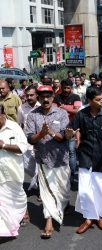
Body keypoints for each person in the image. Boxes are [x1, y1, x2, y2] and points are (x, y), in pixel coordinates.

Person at [66, 87, 102, 234]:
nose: (101, 101)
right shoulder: (81, 114)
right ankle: (89, 218)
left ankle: (100, 216)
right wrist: (70, 133)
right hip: (85, 156)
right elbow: (70, 129)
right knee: (84, 190)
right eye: (98, 99)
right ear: (89, 101)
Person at [25, 85, 71, 239]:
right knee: (46, 193)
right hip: (43, 160)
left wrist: (50, 132)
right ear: (38, 98)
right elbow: (30, 139)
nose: (45, 99)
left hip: (61, 159)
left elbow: (64, 137)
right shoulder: (32, 115)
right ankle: (49, 221)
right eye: (42, 96)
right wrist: (41, 134)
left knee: (63, 192)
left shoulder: (62, 113)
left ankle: (62, 207)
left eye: (48, 96)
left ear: (53, 97)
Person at [0, 104, 28, 237]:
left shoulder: (14, 127)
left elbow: (23, 147)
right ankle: (5, 227)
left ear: (3, 114)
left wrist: (4, 146)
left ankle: (23, 212)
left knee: (18, 196)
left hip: (13, 170)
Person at [53, 79, 82, 182]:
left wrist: (63, 108)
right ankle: (60, 174)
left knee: (71, 152)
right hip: (59, 128)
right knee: (59, 152)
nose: (66, 90)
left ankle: (72, 175)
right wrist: (68, 109)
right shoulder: (57, 97)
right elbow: (55, 111)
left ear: (71, 88)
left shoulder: (76, 97)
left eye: (68, 88)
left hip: (72, 128)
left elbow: (77, 110)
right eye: (64, 88)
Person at [17, 85, 41, 191]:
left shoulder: (42, 106)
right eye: (27, 95)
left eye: (32, 95)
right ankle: (35, 180)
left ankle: (42, 189)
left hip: (41, 141)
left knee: (41, 166)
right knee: (28, 165)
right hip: (27, 141)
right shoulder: (21, 108)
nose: (29, 97)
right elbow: (19, 124)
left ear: (36, 95)